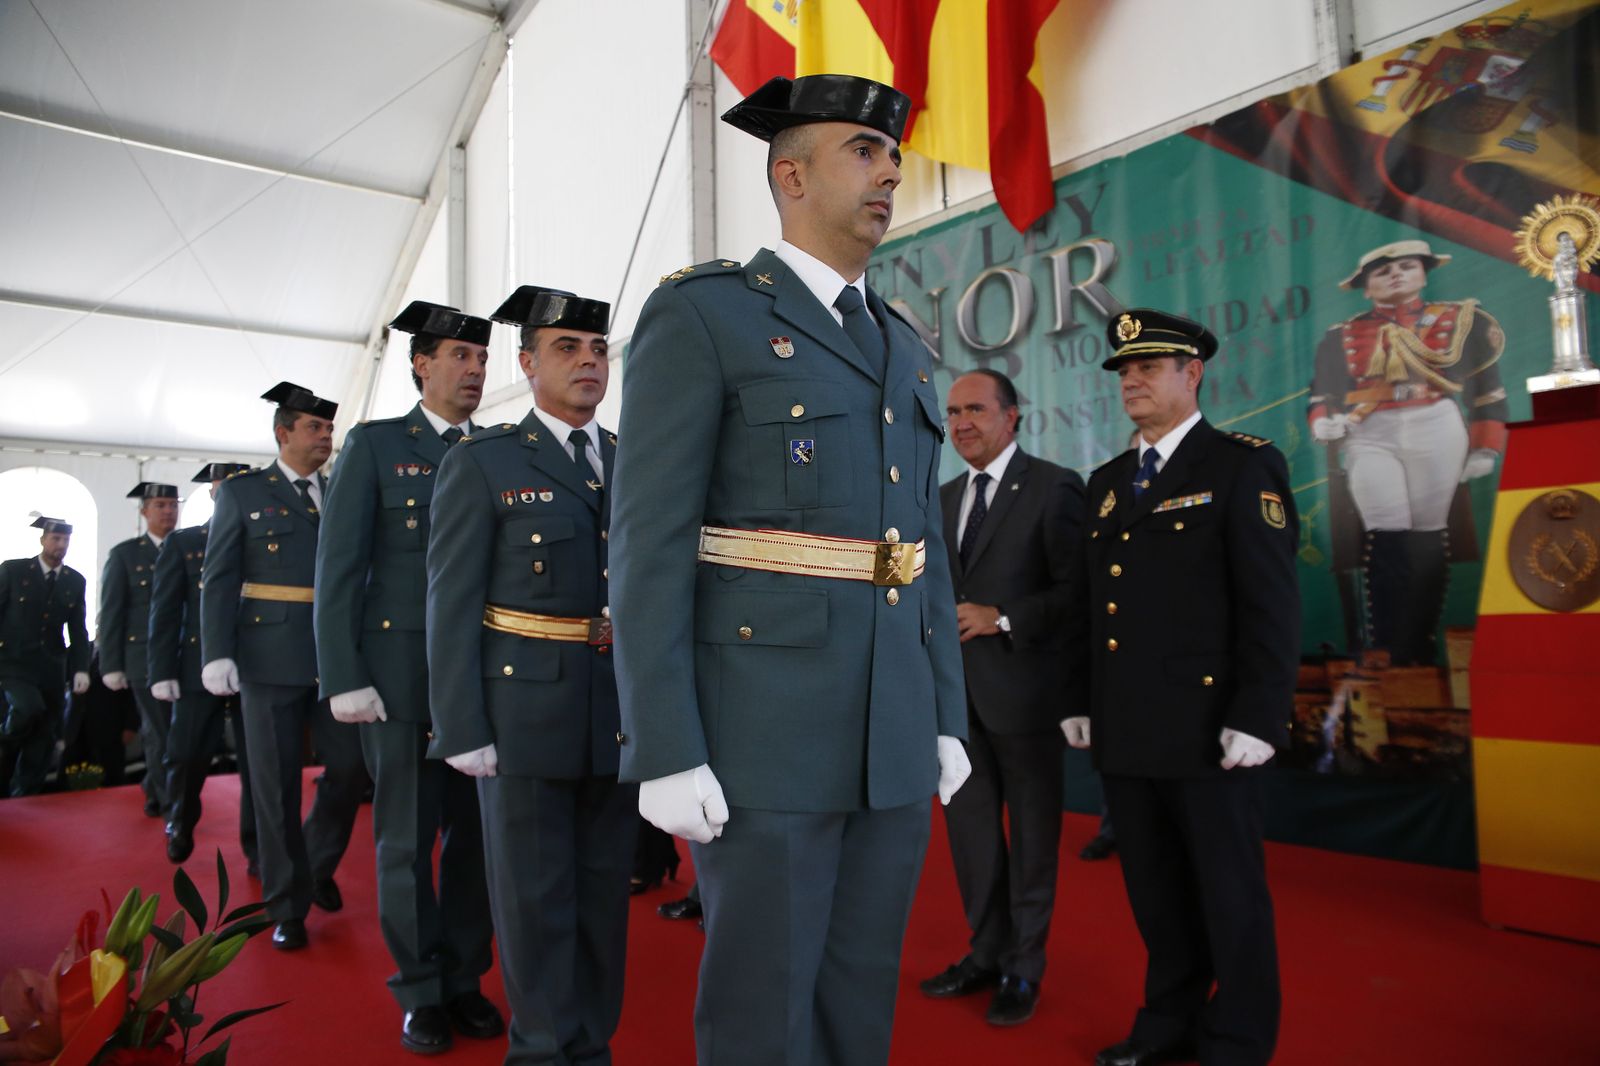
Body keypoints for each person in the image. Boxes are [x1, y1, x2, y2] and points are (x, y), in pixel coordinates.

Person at [611, 74, 971, 1066]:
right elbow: (645, 544)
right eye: (864, 150)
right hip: (761, 730)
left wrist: (944, 710)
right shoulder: (705, 317)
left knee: (859, 996)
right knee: (762, 1008)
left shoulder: (900, 342)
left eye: (894, 158)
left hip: (890, 728)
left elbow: (919, 551)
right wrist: (665, 743)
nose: (890, 174)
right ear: (791, 174)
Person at [1063, 309, 1300, 1066]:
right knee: (1158, 900)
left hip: (1212, 732)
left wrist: (1260, 713)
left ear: (1192, 374)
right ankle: (1166, 1023)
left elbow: (1271, 602)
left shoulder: (1240, 465)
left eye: (1150, 367)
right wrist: (1078, 696)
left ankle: (1237, 1038)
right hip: (1130, 732)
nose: (1132, 379)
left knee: (1229, 898)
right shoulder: (1105, 486)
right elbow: (1089, 608)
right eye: (1124, 370)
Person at [426, 287, 629, 1065]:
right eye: (568, 348)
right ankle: (541, 1048)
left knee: (603, 901)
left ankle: (592, 1044)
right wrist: (463, 725)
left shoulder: (630, 458)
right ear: (527, 363)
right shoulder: (486, 462)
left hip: (613, 715)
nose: (587, 361)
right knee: (535, 903)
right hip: (520, 718)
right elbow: (452, 603)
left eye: (598, 348)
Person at [315, 300, 502, 1055]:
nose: (473, 371)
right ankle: (419, 989)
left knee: (474, 843)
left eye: (482, 359)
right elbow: (338, 570)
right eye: (459, 356)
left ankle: (465, 977)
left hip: (484, 681)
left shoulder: (497, 449)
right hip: (399, 682)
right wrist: (343, 676)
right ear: (420, 363)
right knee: (404, 840)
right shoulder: (375, 446)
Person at [920, 368, 1083, 1026]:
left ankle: (1024, 966)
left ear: (1012, 416)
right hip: (957, 707)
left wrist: (1003, 616)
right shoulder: (941, 496)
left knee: (1035, 841)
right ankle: (985, 952)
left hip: (1027, 699)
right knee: (972, 839)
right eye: (953, 411)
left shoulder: (1055, 488)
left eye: (977, 410)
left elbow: (1077, 593)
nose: (962, 422)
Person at [200, 382, 365, 951]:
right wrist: (216, 651)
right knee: (273, 787)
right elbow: (219, 576)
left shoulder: (343, 487)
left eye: (328, 429)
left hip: (334, 656)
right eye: (314, 429)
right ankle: (286, 903)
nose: (325, 438)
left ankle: (315, 864)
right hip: (267, 657)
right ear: (283, 433)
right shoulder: (245, 493)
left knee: (349, 771)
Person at [1307, 239, 1506, 664]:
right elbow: (1321, 395)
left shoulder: (1463, 320)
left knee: (1428, 535)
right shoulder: (1339, 336)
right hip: (1371, 430)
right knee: (1386, 532)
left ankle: (1419, 642)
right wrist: (1323, 420)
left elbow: (1488, 389)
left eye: (1407, 266)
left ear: (1424, 273)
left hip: (1436, 422)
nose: (1395, 274)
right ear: (1365, 287)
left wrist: (1485, 446)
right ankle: (1389, 645)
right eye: (1382, 271)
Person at [149, 462, 258, 868]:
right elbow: (164, 613)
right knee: (187, 754)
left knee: (258, 764)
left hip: (255, 666)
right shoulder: (185, 543)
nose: (226, 491)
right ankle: (179, 821)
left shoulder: (262, 537)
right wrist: (160, 671)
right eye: (219, 486)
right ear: (211, 493)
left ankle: (258, 847)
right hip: (198, 668)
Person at [99, 481, 180, 819]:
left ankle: (153, 785)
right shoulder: (125, 554)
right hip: (142, 659)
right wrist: (110, 665)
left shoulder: (188, 548)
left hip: (181, 658)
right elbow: (112, 612)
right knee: (161, 731)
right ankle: (168, 803)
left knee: (167, 732)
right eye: (160, 505)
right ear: (144, 511)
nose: (168, 511)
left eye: (173, 505)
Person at [0, 516, 89, 797]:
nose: (60, 545)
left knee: (45, 734)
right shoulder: (13, 571)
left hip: (51, 666)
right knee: (28, 709)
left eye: (65, 540)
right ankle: (4, 746)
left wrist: (81, 668)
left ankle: (26, 794)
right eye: (55, 539)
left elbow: (78, 629)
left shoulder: (74, 580)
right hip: (13, 663)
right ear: (42, 540)